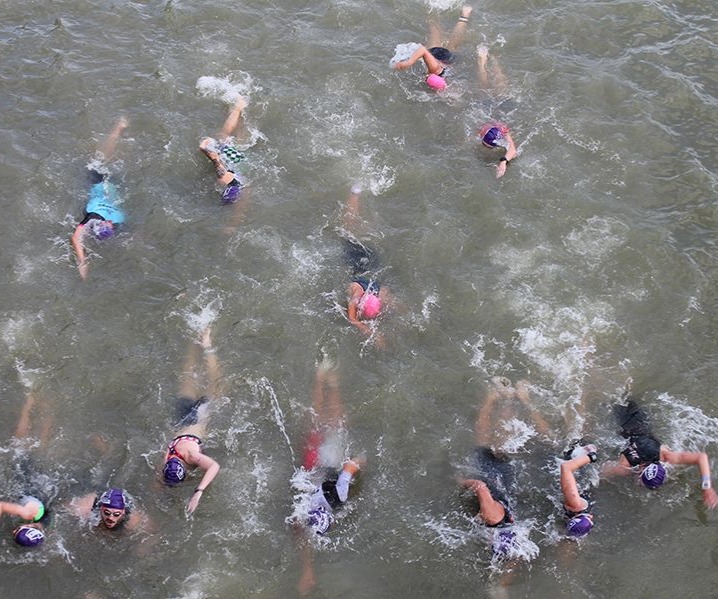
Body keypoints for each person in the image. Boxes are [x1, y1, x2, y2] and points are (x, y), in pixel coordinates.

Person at [458, 377, 549, 556]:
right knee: (484, 439)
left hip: (505, 482)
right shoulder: (492, 518)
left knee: (504, 442)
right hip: (493, 475)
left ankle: (513, 398)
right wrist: (460, 482)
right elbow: (479, 486)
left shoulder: (510, 527)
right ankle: (496, 398)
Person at [293, 362, 363, 596]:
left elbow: (352, 465)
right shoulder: (304, 509)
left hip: (327, 466)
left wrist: (362, 462)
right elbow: (301, 529)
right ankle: (323, 379)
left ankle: (328, 381)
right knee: (320, 423)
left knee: (335, 423)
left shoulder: (339, 498)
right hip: (313, 469)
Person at [602, 396, 718, 509]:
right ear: (641, 469)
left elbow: (701, 457)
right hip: (627, 422)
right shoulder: (625, 467)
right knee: (615, 399)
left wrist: (707, 487)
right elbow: (599, 473)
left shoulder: (665, 456)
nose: (639, 484)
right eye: (641, 482)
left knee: (625, 398)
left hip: (641, 423)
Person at [161, 327, 223, 514]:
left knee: (217, 384)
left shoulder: (191, 457)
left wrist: (199, 491)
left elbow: (214, 466)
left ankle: (207, 345)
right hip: (181, 420)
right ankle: (196, 339)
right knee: (187, 376)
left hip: (199, 417)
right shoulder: (166, 459)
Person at [71, 117, 129, 280]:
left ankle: (119, 129)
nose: (108, 222)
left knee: (105, 158)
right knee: (102, 158)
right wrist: (82, 261)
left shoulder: (116, 219)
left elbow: (76, 238)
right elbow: (76, 237)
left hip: (111, 186)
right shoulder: (96, 217)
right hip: (102, 183)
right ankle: (119, 128)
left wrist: (83, 261)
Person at [1, 388, 54, 547]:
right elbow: (1, 505)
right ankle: (29, 402)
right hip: (28, 486)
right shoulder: (27, 514)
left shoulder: (42, 527)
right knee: (19, 444)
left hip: (40, 492)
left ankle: (48, 412)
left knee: (40, 448)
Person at [341, 184, 391, 348]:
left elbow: (398, 306)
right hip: (357, 261)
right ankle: (354, 194)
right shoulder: (356, 296)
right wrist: (370, 332)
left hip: (372, 264)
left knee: (359, 233)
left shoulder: (381, 293)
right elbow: (353, 319)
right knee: (348, 231)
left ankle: (362, 202)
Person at [199, 96, 250, 230]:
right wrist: (204, 149)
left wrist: (204, 149)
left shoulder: (232, 181)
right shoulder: (228, 179)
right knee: (224, 137)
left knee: (229, 139)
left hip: (241, 164)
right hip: (235, 161)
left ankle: (239, 110)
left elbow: (214, 158)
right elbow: (215, 158)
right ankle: (238, 109)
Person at [393, 6, 473, 90]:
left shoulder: (448, 87)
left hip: (450, 62)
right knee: (435, 34)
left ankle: (464, 16)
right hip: (438, 55)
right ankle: (432, 10)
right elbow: (423, 50)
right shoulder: (434, 70)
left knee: (453, 44)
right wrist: (408, 62)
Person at [559, 442, 598, 539]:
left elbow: (566, 467)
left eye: (588, 518)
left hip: (569, 460)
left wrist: (592, 456)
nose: (591, 517)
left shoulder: (575, 504)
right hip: (578, 476)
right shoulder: (571, 518)